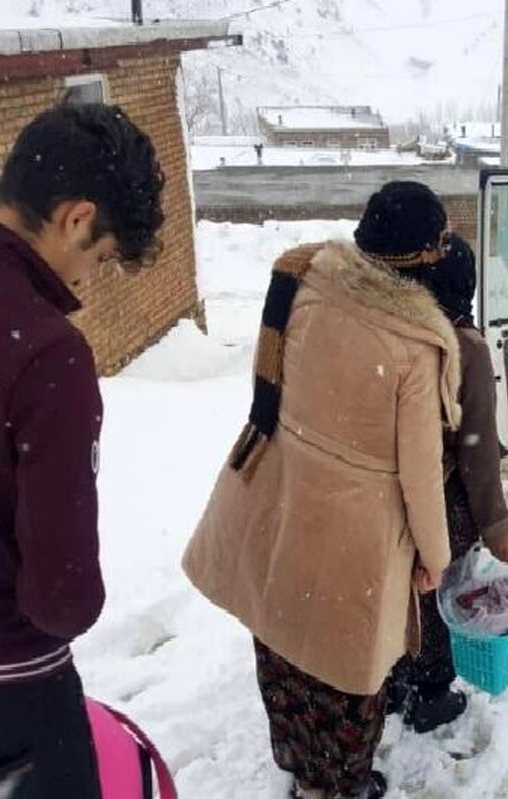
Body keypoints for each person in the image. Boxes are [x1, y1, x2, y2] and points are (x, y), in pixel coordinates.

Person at [182, 181, 461, 799]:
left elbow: (269, 381)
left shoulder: (306, 276)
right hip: (354, 535)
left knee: (281, 644)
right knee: (344, 676)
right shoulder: (417, 345)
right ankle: (339, 785)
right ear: (422, 256)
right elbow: (420, 475)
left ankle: (301, 766)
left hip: (280, 499)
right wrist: (435, 558)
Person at [0, 103, 165, 798]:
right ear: (77, 217)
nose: (87, 279)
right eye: (101, 255)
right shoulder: (45, 348)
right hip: (7, 698)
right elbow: (61, 595)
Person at [389, 234, 508, 733]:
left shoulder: (400, 335)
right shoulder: (465, 346)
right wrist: (494, 522)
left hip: (395, 491)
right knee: (442, 590)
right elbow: (478, 446)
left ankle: (395, 679)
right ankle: (432, 692)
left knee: (403, 588)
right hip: (444, 496)